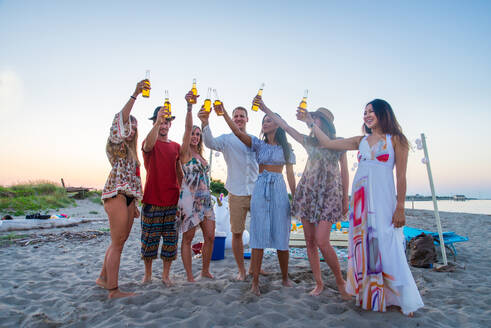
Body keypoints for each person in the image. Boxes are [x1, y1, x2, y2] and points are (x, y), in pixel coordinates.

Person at [303, 99, 424, 315]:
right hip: (360, 201)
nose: (367, 115)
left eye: (371, 111)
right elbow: (329, 143)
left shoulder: (396, 140)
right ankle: (373, 294)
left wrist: (401, 207)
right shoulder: (360, 140)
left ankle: (399, 296)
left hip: (383, 200)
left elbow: (401, 176)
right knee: (365, 246)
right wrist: (311, 124)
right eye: (365, 112)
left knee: (388, 242)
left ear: (383, 113)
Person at [256, 99, 351, 298]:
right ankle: (319, 283)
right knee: (309, 241)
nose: (314, 120)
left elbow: (345, 172)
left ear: (325, 122)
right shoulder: (310, 142)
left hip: (329, 195)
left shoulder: (338, 142)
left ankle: (341, 283)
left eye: (317, 118)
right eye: (313, 117)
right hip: (308, 193)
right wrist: (265, 108)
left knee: (322, 240)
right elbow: (286, 126)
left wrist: (345, 199)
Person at [219, 99, 296, 296]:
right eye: (264, 120)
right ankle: (254, 282)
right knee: (258, 233)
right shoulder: (258, 145)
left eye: (270, 120)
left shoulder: (286, 149)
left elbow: (290, 175)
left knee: (282, 233)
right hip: (260, 187)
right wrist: (225, 113)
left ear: (277, 124)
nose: (265, 122)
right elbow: (237, 132)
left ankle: (285, 277)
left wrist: (294, 198)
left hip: (279, 187)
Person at [198, 106, 259, 281]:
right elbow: (209, 142)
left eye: (242, 116)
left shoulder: (254, 140)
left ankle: (255, 267)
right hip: (236, 192)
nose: (239, 118)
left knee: (257, 232)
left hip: (256, 192)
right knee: (237, 233)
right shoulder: (226, 140)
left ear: (247, 119)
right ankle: (241, 270)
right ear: (232, 119)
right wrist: (205, 123)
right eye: (236, 116)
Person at [97, 80, 146, 298]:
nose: (131, 129)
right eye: (129, 125)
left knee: (119, 241)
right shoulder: (115, 143)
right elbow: (121, 117)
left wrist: (135, 204)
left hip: (129, 198)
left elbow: (135, 181)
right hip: (115, 194)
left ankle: (103, 278)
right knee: (117, 243)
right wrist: (135, 94)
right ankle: (113, 290)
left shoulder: (133, 154)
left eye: (135, 127)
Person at [140, 101, 182, 287]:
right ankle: (147, 275)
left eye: (166, 122)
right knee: (149, 240)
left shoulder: (176, 146)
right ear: (155, 122)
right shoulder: (149, 141)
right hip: (152, 200)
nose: (163, 125)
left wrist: (182, 198)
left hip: (172, 201)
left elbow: (179, 173)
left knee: (170, 241)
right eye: (160, 121)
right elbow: (147, 146)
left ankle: (166, 276)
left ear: (170, 124)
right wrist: (156, 123)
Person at [178, 92, 216, 282]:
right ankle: (190, 275)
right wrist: (190, 107)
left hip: (206, 200)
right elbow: (186, 128)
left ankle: (205, 270)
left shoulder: (201, 155)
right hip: (189, 200)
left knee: (210, 236)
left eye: (197, 134)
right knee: (188, 238)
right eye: (193, 133)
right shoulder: (184, 152)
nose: (195, 136)